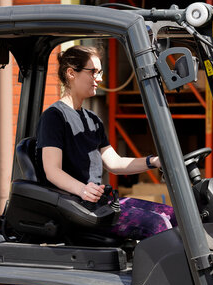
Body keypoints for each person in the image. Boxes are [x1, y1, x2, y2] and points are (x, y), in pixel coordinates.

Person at [35, 45, 176, 239]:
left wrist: (153, 161)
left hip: (99, 204)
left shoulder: (93, 120)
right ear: (71, 73)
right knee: (157, 224)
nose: (99, 79)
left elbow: (115, 163)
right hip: (76, 209)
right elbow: (52, 171)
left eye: (100, 72)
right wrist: (82, 189)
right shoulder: (54, 117)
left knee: (173, 215)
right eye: (93, 72)